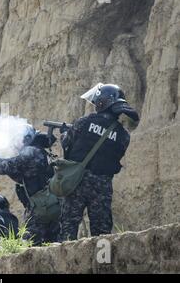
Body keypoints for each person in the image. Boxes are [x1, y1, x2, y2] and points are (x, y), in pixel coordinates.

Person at [59, 83, 139, 240]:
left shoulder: (84, 121)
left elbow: (67, 143)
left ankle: (66, 262)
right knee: (102, 233)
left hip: (78, 181)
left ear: (102, 102)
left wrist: (63, 133)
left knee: (68, 226)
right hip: (103, 185)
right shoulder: (123, 135)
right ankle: (103, 262)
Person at [0, 125, 60, 245]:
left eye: (18, 140)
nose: (16, 144)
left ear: (26, 138)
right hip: (53, 204)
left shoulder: (32, 152)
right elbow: (18, 172)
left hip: (42, 208)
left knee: (28, 246)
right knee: (52, 244)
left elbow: (8, 165)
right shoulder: (40, 152)